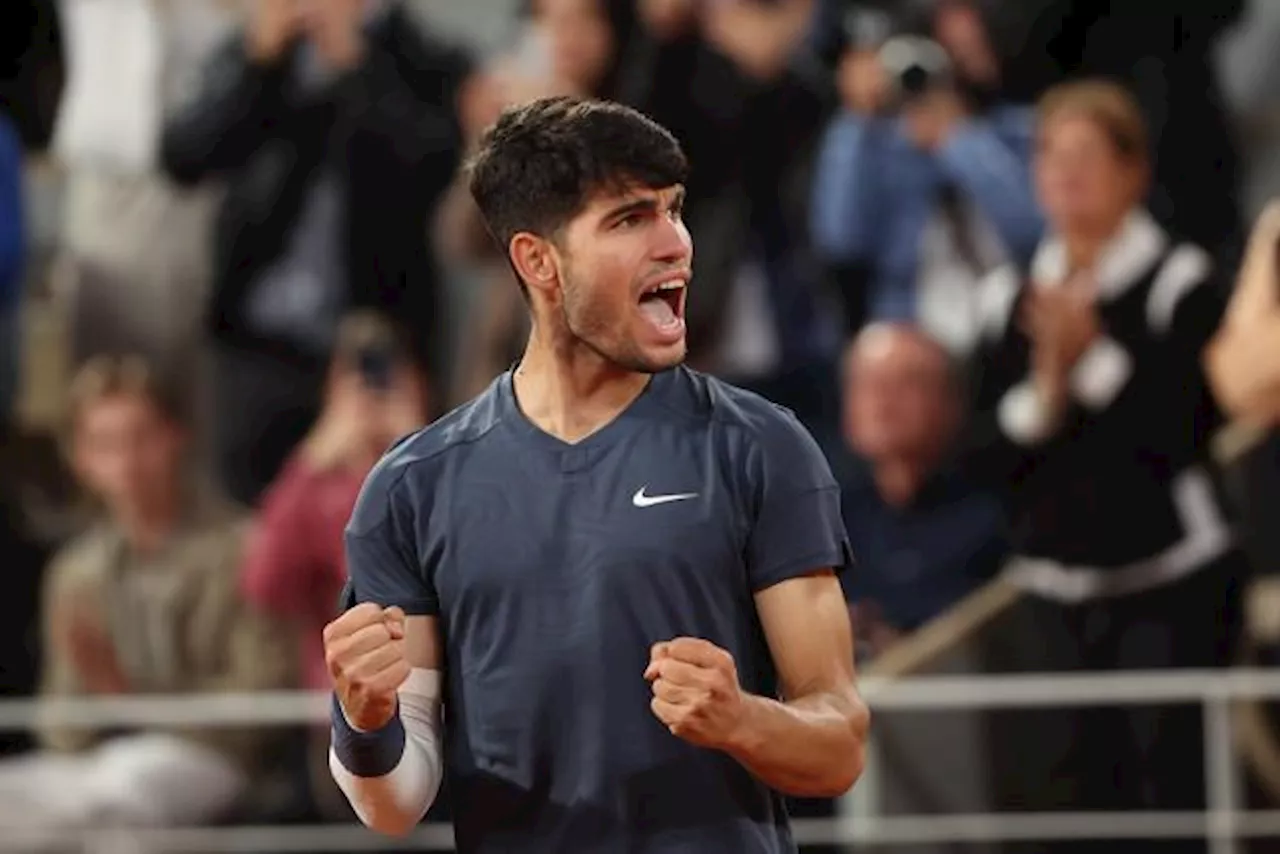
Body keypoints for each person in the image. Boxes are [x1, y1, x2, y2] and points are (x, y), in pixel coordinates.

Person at [323, 96, 868, 852]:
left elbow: (840, 744)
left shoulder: (762, 447)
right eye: (629, 219)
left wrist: (743, 717)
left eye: (674, 210)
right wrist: (366, 719)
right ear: (537, 261)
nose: (676, 242)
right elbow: (395, 804)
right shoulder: (412, 487)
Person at [967, 80, 1242, 854]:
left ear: (1134, 173)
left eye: (1088, 157)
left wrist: (1091, 361)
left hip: (1171, 580)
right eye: (1052, 157)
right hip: (1053, 585)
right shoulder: (1007, 297)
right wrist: (1047, 390)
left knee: (1172, 802)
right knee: (1069, 803)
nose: (1065, 175)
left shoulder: (1182, 284)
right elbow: (986, 450)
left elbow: (1185, 432)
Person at [0, 355, 294, 834]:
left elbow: (259, 703)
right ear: (81, 458)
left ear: (175, 436)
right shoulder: (75, 572)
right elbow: (62, 733)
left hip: (215, 761)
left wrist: (130, 698)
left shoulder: (246, 546)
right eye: (105, 444)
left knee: (121, 799)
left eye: (142, 437)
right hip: (98, 765)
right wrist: (87, 689)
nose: (127, 461)